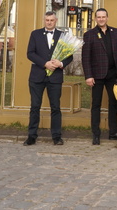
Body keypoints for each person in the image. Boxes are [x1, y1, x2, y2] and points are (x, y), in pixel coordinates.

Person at [24, 11, 72, 146]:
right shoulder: (35, 34)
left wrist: (61, 64)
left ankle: (56, 136)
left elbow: (69, 55)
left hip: (55, 77)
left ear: (56, 20)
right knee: (35, 106)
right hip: (37, 76)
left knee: (55, 107)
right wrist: (45, 63)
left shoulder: (62, 35)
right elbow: (30, 53)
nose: (49, 22)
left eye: (51, 20)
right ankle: (31, 136)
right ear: (44, 20)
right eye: (47, 20)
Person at [82, 7, 117, 144]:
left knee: (114, 104)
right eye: (98, 17)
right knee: (96, 105)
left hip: (113, 74)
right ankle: (96, 134)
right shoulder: (89, 34)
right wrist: (88, 75)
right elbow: (85, 57)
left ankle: (113, 132)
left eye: (103, 17)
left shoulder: (115, 32)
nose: (101, 19)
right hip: (97, 75)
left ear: (107, 18)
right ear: (95, 19)